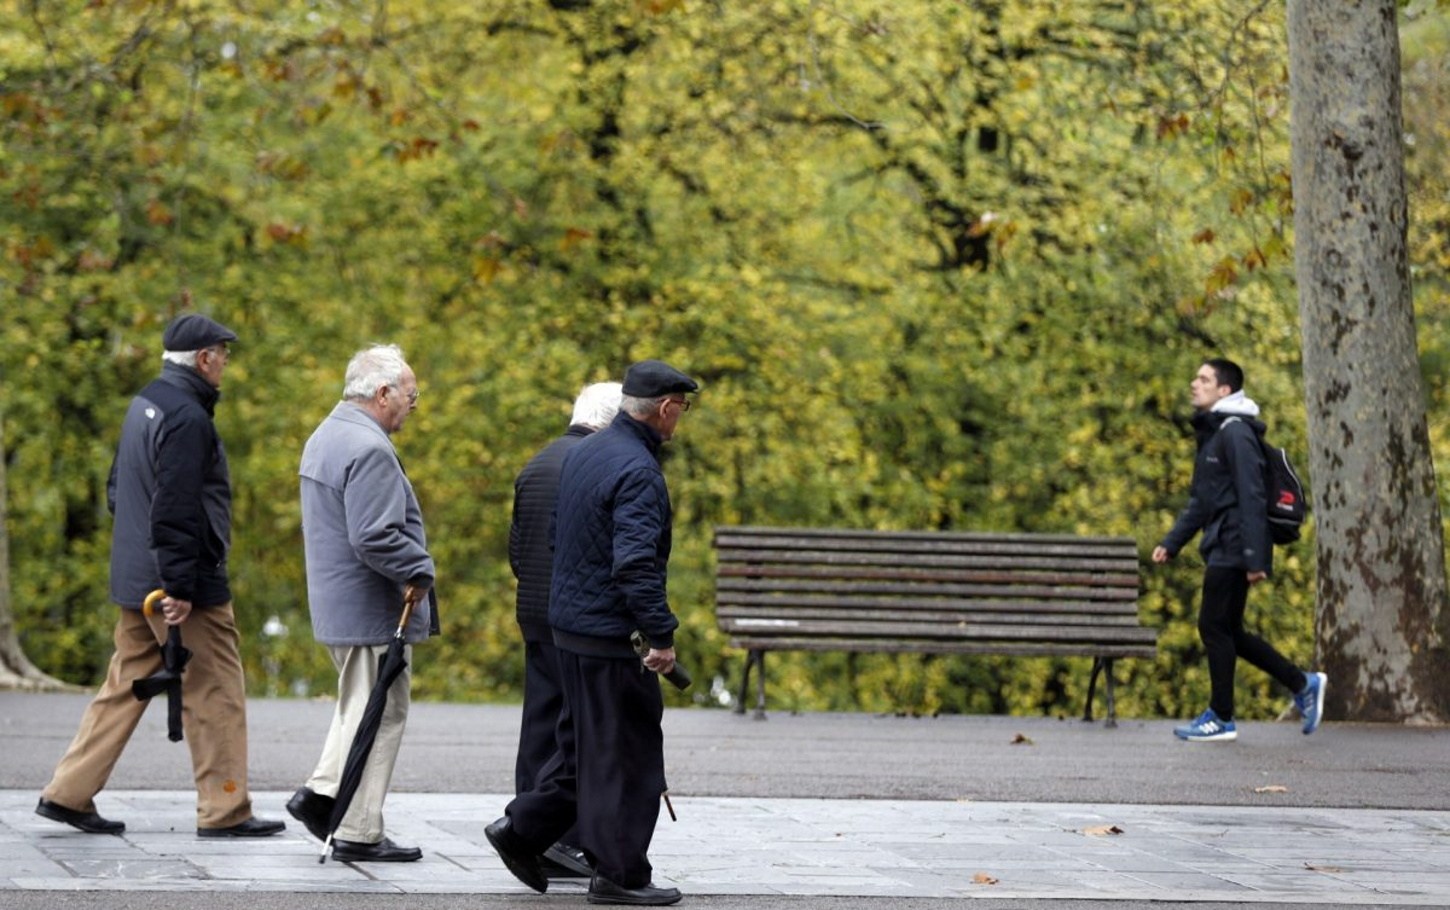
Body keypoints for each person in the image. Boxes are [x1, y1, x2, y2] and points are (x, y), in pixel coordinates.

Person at [37, 313, 286, 839]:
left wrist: (146, 565)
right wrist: (178, 586)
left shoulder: (145, 403)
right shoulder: (189, 419)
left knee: (125, 685)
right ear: (203, 359)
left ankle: (68, 793)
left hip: (136, 576)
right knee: (216, 689)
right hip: (178, 585)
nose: (226, 363)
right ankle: (225, 809)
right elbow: (175, 509)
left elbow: (117, 490)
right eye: (223, 353)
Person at [486, 359, 696, 907]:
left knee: (584, 751)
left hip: (569, 631)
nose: (682, 419)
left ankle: (521, 831)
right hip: (608, 637)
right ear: (667, 408)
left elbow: (557, 539)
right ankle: (620, 875)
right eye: (684, 408)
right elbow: (634, 565)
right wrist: (660, 636)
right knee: (629, 755)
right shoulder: (639, 471)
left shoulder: (586, 454)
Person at [285, 344, 437, 863]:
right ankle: (353, 824)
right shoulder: (368, 447)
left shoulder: (326, 434)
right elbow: (374, 536)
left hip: (339, 604)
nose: (414, 405)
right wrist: (420, 568)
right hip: (371, 607)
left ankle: (327, 799)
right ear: (383, 393)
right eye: (411, 395)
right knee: (381, 712)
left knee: (361, 707)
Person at [1152, 358, 1327, 743]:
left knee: (1212, 625)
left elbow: (1252, 494)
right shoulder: (1216, 435)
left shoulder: (1236, 433)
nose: (1194, 384)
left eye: (1203, 379)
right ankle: (1303, 682)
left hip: (1235, 543)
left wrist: (1255, 557)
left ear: (1224, 390)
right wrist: (1172, 542)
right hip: (1225, 540)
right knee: (1229, 629)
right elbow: (1201, 501)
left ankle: (1221, 716)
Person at [508, 381, 623, 881]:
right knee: (577, 731)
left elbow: (517, 546)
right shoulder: (592, 466)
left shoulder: (537, 462)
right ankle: (560, 839)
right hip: (573, 618)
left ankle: (527, 832)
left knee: (539, 725)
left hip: (532, 608)